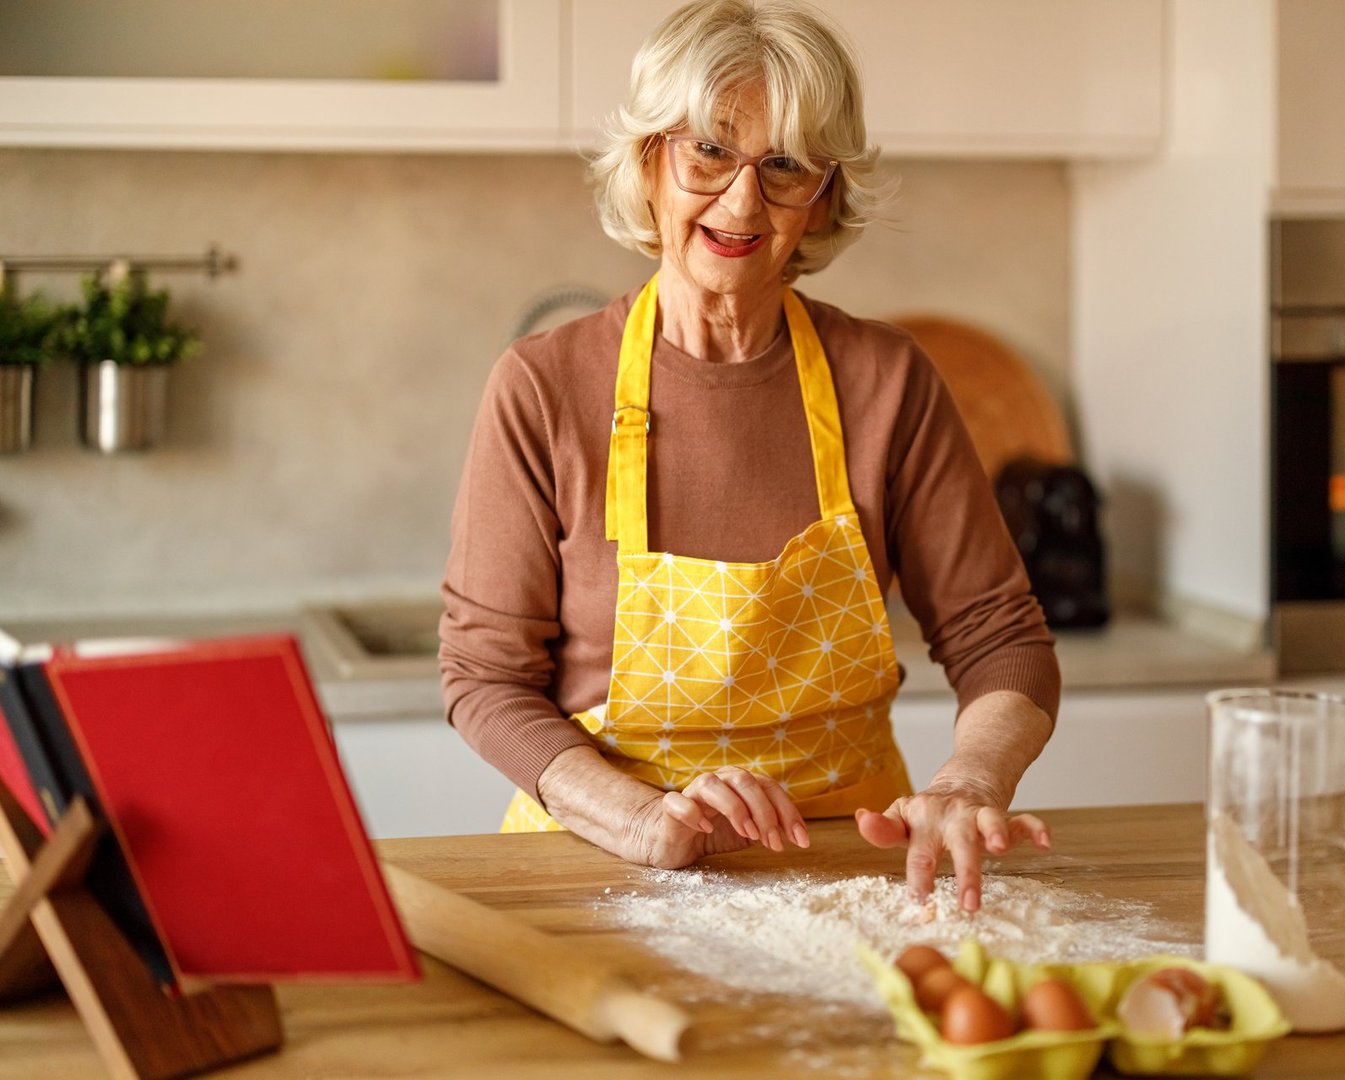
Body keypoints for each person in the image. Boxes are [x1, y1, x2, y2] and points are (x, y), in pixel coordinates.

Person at [439, 0, 1059, 912]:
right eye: (710, 151)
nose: (741, 201)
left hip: (849, 874)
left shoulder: (887, 381)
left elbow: (1000, 639)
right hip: (605, 869)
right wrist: (643, 819)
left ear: (824, 196)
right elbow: (484, 678)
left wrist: (969, 783)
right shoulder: (541, 384)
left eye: (785, 165)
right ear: (650, 160)